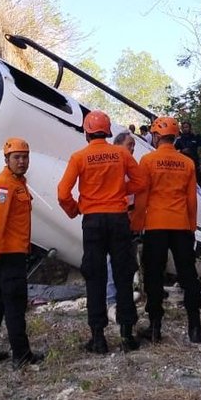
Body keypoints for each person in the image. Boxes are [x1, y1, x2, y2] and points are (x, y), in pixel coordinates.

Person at [57, 110, 143, 353]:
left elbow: (63, 193)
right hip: (118, 220)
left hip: (93, 221)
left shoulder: (79, 157)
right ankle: (127, 336)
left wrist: (76, 210)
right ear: (107, 132)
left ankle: (98, 338)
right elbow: (140, 183)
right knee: (123, 275)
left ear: (86, 133)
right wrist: (119, 190)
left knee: (95, 278)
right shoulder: (121, 154)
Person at [0, 137, 45, 371]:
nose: (22, 161)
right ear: (7, 160)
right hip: (7, 256)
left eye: (25, 157)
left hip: (13, 253)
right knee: (14, 305)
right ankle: (21, 355)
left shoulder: (18, 183)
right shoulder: (4, 185)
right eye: (17, 157)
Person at [138, 115, 201, 344]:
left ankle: (155, 327)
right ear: (175, 136)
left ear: (156, 135)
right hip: (181, 225)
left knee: (154, 275)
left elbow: (142, 197)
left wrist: (137, 225)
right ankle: (195, 327)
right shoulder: (187, 163)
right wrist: (192, 226)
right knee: (188, 275)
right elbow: (191, 200)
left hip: (155, 224)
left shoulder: (147, 161)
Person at [106, 131, 137, 319]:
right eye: (129, 144)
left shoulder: (129, 165)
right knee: (113, 262)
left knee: (126, 263)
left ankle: (121, 298)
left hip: (128, 221)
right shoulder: (115, 164)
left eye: (133, 145)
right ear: (118, 144)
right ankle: (111, 300)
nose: (132, 148)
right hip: (115, 219)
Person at [174, 120, 201, 187]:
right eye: (183, 127)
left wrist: (197, 135)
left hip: (194, 163)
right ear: (181, 129)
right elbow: (173, 150)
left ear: (190, 128)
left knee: (197, 183)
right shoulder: (179, 139)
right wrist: (182, 151)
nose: (185, 129)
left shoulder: (195, 137)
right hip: (183, 165)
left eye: (187, 127)